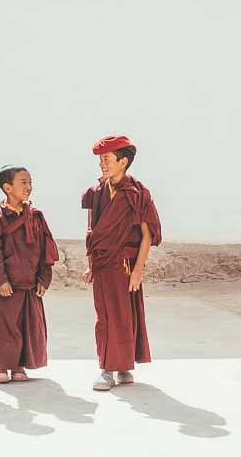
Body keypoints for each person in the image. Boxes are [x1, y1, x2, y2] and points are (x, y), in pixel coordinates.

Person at [81, 134, 162, 392]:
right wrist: (90, 264)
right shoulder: (96, 193)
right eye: (101, 160)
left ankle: (124, 365)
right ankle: (105, 369)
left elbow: (148, 235)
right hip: (104, 264)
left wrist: (139, 270)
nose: (102, 164)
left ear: (123, 162)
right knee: (105, 316)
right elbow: (93, 230)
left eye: (107, 159)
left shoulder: (138, 194)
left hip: (127, 264)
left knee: (127, 316)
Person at [0, 165, 59, 383]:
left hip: (30, 283)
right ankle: (0, 366)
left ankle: (18, 366)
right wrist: (0, 280)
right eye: (23, 182)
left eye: (30, 182)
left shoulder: (35, 216)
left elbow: (48, 249)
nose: (28, 187)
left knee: (26, 326)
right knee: (5, 326)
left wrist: (44, 278)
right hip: (8, 285)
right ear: (7, 187)